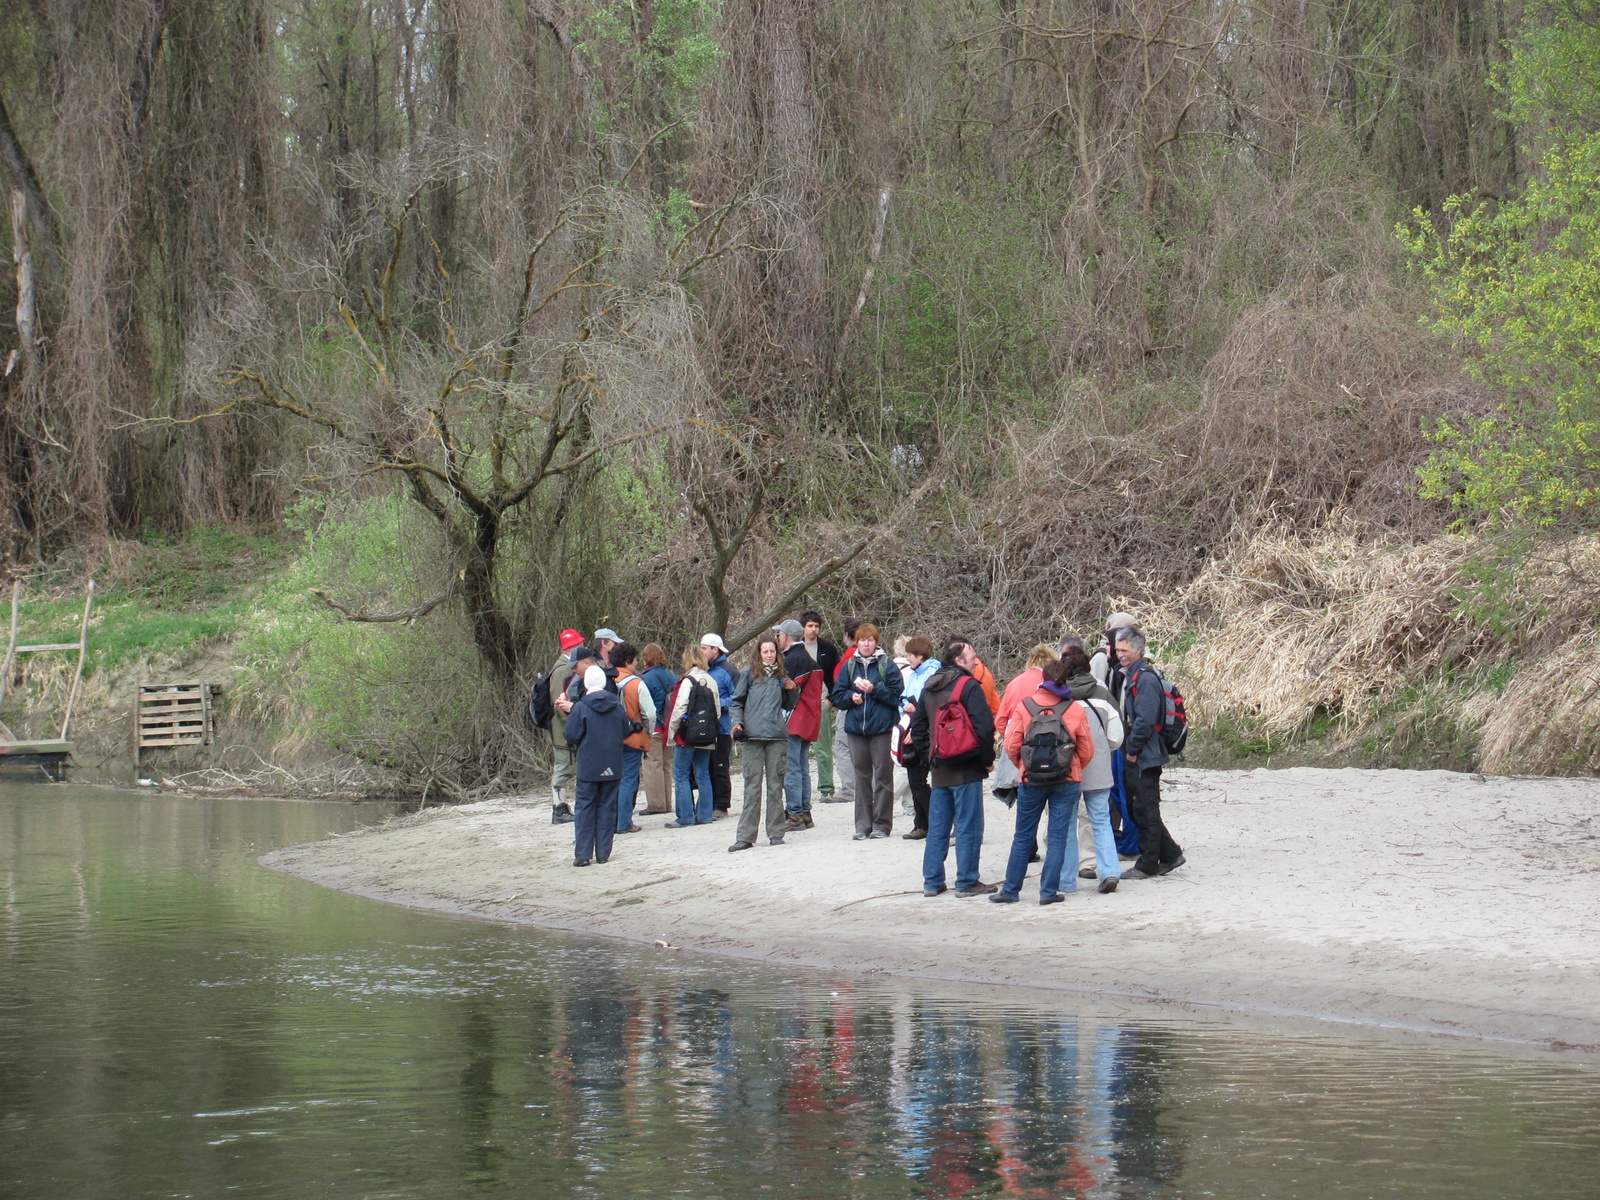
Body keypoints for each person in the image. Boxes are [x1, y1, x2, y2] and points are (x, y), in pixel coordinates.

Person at [994, 659, 1095, 904]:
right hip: (1066, 779)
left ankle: (1010, 890)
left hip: (1031, 779)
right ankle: (1048, 892)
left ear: (1042, 681)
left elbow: (1011, 744)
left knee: (1023, 835)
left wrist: (1024, 765)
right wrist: (1072, 767)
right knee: (1058, 835)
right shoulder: (1075, 709)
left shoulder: (1024, 707)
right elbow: (1087, 749)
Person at [909, 639, 997, 897]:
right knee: (969, 826)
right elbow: (984, 728)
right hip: (966, 766)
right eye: (971, 655)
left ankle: (932, 882)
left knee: (938, 827)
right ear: (958, 660)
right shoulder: (968, 685)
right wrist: (986, 760)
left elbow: (918, 727)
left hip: (939, 768)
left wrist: (929, 757)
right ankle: (967, 881)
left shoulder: (930, 685)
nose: (975, 659)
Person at [1117, 629, 1185, 879]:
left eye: (1124, 650)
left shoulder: (1144, 678)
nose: (1120, 655)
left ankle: (1147, 864)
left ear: (1138, 650)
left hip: (1146, 753)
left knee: (1146, 808)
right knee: (1141, 808)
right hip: (1143, 751)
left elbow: (1144, 721)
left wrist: (1132, 751)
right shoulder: (1133, 675)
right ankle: (1170, 855)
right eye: (1117, 650)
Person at [830, 622, 905, 839]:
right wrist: (850, 698)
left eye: (870, 640)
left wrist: (874, 690)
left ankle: (882, 824)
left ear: (876, 642)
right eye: (862, 640)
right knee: (861, 777)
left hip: (882, 729)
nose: (866, 643)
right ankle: (862, 825)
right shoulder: (849, 665)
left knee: (882, 776)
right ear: (857, 642)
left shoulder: (887, 665)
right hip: (856, 730)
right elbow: (837, 695)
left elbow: (896, 695)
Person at [1061, 643, 1123, 893]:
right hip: (1097, 765)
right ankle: (1109, 871)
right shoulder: (1103, 693)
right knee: (1101, 819)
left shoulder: (1059, 695)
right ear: (1088, 668)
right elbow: (1117, 736)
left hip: (1066, 767)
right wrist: (1101, 750)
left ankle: (1066, 879)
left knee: (1065, 823)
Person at [729, 635, 796, 851]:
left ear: (777, 653)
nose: (769, 655)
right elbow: (737, 701)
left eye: (772, 651)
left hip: (776, 736)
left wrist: (793, 689)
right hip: (752, 737)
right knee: (752, 787)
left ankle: (776, 832)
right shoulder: (749, 673)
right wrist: (737, 723)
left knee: (775, 786)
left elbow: (790, 704)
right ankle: (745, 836)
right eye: (765, 651)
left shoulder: (782, 676)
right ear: (758, 653)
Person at [562, 665, 630, 867]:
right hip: (612, 764)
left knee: (585, 807)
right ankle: (603, 853)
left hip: (589, 765)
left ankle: (583, 854)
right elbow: (625, 731)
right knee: (607, 807)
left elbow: (571, 735)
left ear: (585, 683)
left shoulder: (581, 707)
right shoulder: (617, 707)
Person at [666, 645, 720, 827]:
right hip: (707, 735)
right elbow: (717, 710)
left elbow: (679, 708)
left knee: (681, 774)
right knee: (703, 773)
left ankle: (685, 816)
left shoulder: (687, 680)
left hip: (687, 735)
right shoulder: (711, 680)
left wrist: (674, 731)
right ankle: (705, 814)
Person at [777, 620, 821, 830]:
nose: (778, 638)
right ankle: (804, 811)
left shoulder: (793, 658)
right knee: (802, 767)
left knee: (791, 768)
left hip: (796, 718)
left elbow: (786, 690)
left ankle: (794, 813)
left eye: (779, 635)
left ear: (785, 636)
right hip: (809, 717)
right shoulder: (807, 656)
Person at [898, 636, 939, 840]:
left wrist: (916, 725)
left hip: (927, 733)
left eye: (910, 655)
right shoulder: (913, 674)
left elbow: (930, 705)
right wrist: (904, 707)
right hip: (913, 728)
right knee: (915, 780)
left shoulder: (933, 673)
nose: (907, 659)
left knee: (926, 781)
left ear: (919, 655)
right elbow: (904, 696)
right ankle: (921, 823)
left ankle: (936, 822)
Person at [613, 643, 656, 835]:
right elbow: (650, 713)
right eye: (635, 660)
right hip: (633, 737)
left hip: (610, 739)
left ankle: (610, 820)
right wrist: (648, 731)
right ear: (629, 661)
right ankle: (623, 822)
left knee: (612, 780)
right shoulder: (636, 683)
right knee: (628, 780)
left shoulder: (606, 679)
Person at [800, 611, 841, 798]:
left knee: (823, 747)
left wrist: (831, 698)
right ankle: (800, 789)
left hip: (821, 701)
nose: (813, 629)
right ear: (803, 627)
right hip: (799, 704)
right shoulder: (795, 648)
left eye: (816, 626)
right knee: (797, 747)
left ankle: (826, 788)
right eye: (810, 626)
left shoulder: (827, 648)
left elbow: (836, 675)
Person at [546, 628, 586, 825]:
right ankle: (558, 808)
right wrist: (573, 725)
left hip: (565, 728)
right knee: (563, 767)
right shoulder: (562, 669)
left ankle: (561, 807)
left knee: (565, 767)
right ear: (572, 647)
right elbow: (558, 702)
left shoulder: (564, 667)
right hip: (562, 731)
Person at [700, 633, 737, 819]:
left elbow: (738, 697)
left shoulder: (729, 670)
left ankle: (722, 805)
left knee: (720, 766)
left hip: (723, 727)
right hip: (706, 728)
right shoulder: (703, 670)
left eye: (704, 648)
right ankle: (708, 803)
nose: (702, 651)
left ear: (715, 649)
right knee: (706, 767)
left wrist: (717, 702)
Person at [637, 644, 677, 815]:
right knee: (667, 765)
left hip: (654, 728)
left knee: (653, 764)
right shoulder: (672, 675)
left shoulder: (646, 679)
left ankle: (656, 804)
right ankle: (668, 803)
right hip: (670, 727)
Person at [827, 618, 862, 804]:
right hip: (867, 706)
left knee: (842, 746)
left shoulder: (850, 654)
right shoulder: (876, 654)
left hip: (848, 704)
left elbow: (837, 677)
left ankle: (848, 788)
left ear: (847, 636)